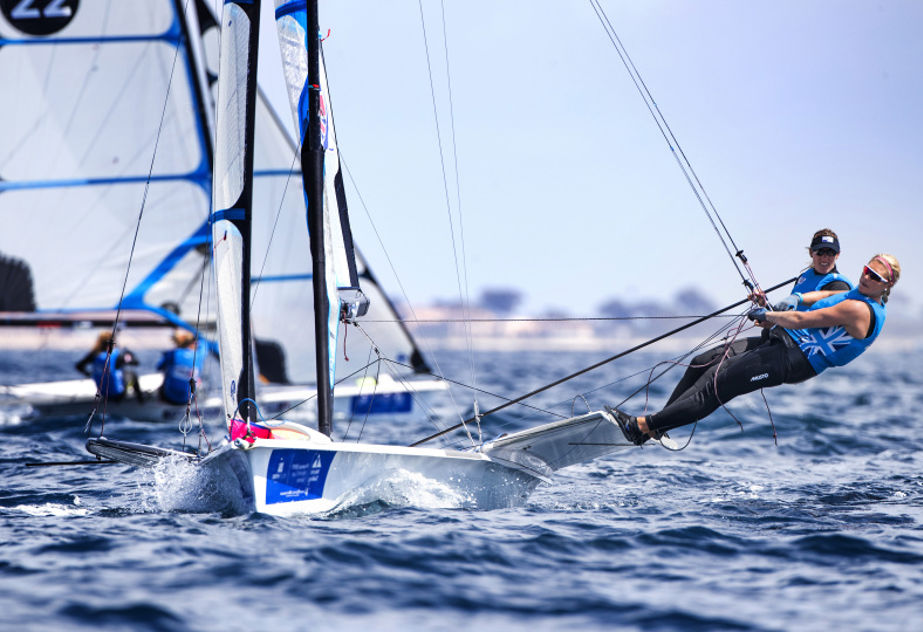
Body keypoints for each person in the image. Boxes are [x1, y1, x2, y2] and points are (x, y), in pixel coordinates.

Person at [612, 253, 900, 445]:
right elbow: (825, 294)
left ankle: (641, 426)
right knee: (704, 361)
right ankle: (659, 426)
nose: (866, 278)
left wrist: (770, 316)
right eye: (866, 270)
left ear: (887, 286)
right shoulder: (853, 292)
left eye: (876, 277)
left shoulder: (860, 310)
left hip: (793, 359)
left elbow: (803, 321)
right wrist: (796, 297)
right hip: (779, 340)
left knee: (716, 384)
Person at [771, 228, 853, 312]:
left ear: (837, 254)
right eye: (820, 252)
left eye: (830, 253)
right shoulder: (803, 278)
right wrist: (766, 308)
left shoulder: (839, 285)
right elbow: (785, 316)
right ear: (811, 252)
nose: (825, 257)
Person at [75, 331, 143, 402]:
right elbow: (136, 362)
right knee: (132, 374)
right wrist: (128, 353)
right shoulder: (117, 355)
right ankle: (141, 399)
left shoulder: (94, 354)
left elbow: (79, 366)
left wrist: (89, 374)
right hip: (119, 395)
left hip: (103, 393)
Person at [156, 330, 205, 405]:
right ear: (194, 343)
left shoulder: (171, 354)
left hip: (169, 397)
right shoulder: (200, 354)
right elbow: (204, 341)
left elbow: (158, 367)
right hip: (187, 399)